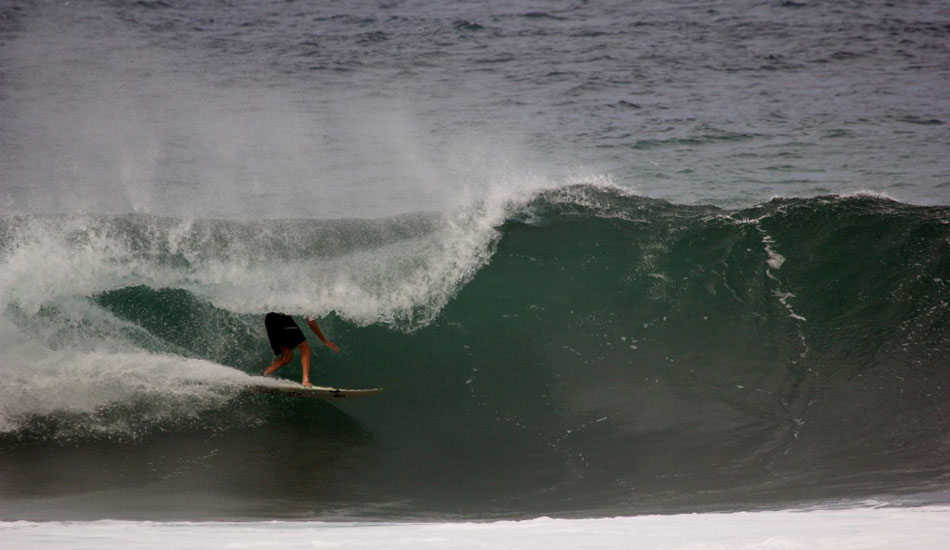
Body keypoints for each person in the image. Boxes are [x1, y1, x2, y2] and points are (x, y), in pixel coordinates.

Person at [261, 312, 340, 386]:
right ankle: (305, 381)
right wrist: (324, 341)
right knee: (305, 348)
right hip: (281, 318)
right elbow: (311, 322)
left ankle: (265, 373)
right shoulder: (310, 300)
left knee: (287, 357)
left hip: (269, 319)